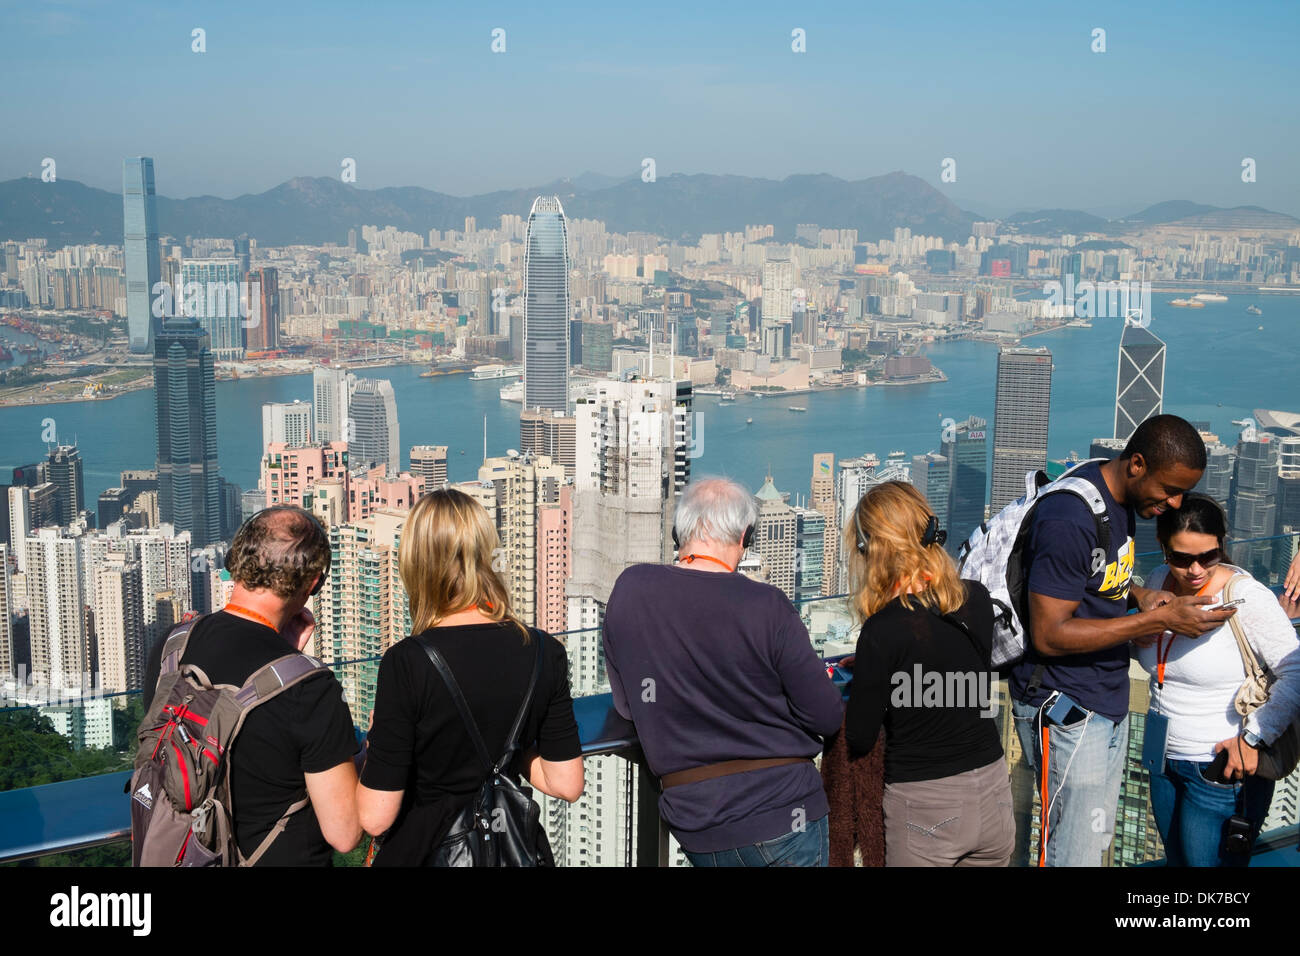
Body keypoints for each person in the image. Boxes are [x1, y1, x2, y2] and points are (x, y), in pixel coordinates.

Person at [1010, 414, 1239, 867]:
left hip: (1104, 702)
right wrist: (1156, 621)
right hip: (1066, 706)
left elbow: (1093, 576)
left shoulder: (1114, 497)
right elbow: (1050, 633)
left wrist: (1139, 593)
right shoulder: (1070, 517)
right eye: (1169, 490)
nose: (1174, 503)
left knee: (1091, 847)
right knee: (1070, 854)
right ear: (1136, 464)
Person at [602, 476, 844, 867]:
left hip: (697, 825)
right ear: (744, 537)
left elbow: (629, 708)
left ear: (680, 530)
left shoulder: (630, 589)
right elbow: (827, 715)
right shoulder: (766, 605)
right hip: (784, 813)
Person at [356, 489, 583, 864]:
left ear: (417, 564)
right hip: (512, 850)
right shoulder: (544, 651)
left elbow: (375, 817)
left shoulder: (407, 662)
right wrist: (507, 745)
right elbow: (566, 783)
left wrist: (378, 744)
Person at [142, 505, 362, 865]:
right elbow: (345, 832)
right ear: (312, 584)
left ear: (237, 560)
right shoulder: (310, 688)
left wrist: (285, 657)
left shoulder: (173, 646)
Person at [844, 481, 1014, 866]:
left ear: (874, 550)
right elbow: (956, 675)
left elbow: (860, 734)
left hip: (927, 806)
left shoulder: (882, 630)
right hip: (993, 789)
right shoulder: (976, 598)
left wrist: (874, 673)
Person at [1135, 495, 1300, 866]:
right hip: (1163, 760)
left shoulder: (1245, 596)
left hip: (1220, 770)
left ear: (1222, 545)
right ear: (1163, 549)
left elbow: (1296, 670)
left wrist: (1255, 737)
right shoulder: (1159, 582)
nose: (1195, 570)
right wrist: (1140, 632)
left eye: (1208, 557)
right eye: (1182, 558)